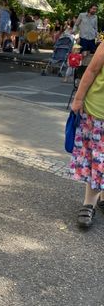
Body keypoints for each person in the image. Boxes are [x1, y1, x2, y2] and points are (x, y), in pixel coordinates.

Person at [70, 42, 104, 228]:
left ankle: (102, 197)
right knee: (98, 159)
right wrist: (78, 99)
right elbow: (91, 70)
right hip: (99, 111)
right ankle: (89, 203)